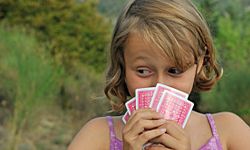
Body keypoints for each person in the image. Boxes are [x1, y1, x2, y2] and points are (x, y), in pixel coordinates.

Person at [68, 0, 250, 149]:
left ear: (200, 63)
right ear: (122, 65)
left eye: (175, 70)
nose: (159, 86)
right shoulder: (97, 136)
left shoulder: (229, 132)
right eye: (143, 71)